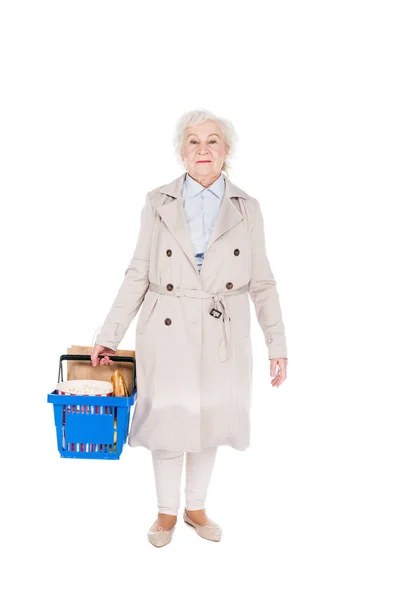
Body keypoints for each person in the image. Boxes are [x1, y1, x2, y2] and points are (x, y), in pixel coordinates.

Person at [91, 108, 288, 547]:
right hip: (168, 324)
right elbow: (138, 272)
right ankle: (165, 513)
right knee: (169, 418)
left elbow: (263, 280)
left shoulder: (247, 207)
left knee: (211, 419)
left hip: (223, 329)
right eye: (194, 141)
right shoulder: (157, 201)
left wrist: (278, 344)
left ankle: (196, 508)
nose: (203, 149)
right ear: (182, 152)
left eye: (213, 140)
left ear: (227, 151)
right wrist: (108, 336)